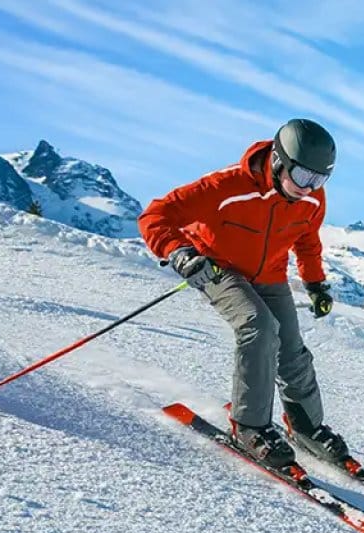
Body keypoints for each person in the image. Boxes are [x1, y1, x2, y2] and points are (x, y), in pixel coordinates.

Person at [138, 118, 348, 468]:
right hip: (219, 270)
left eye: (319, 180)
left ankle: (306, 426)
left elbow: (307, 242)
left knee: (292, 348)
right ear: (280, 161)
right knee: (258, 327)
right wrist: (178, 251)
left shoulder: (311, 200)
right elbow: (155, 215)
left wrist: (315, 283)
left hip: (270, 275)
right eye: (302, 177)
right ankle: (249, 427)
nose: (308, 188)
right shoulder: (225, 186)